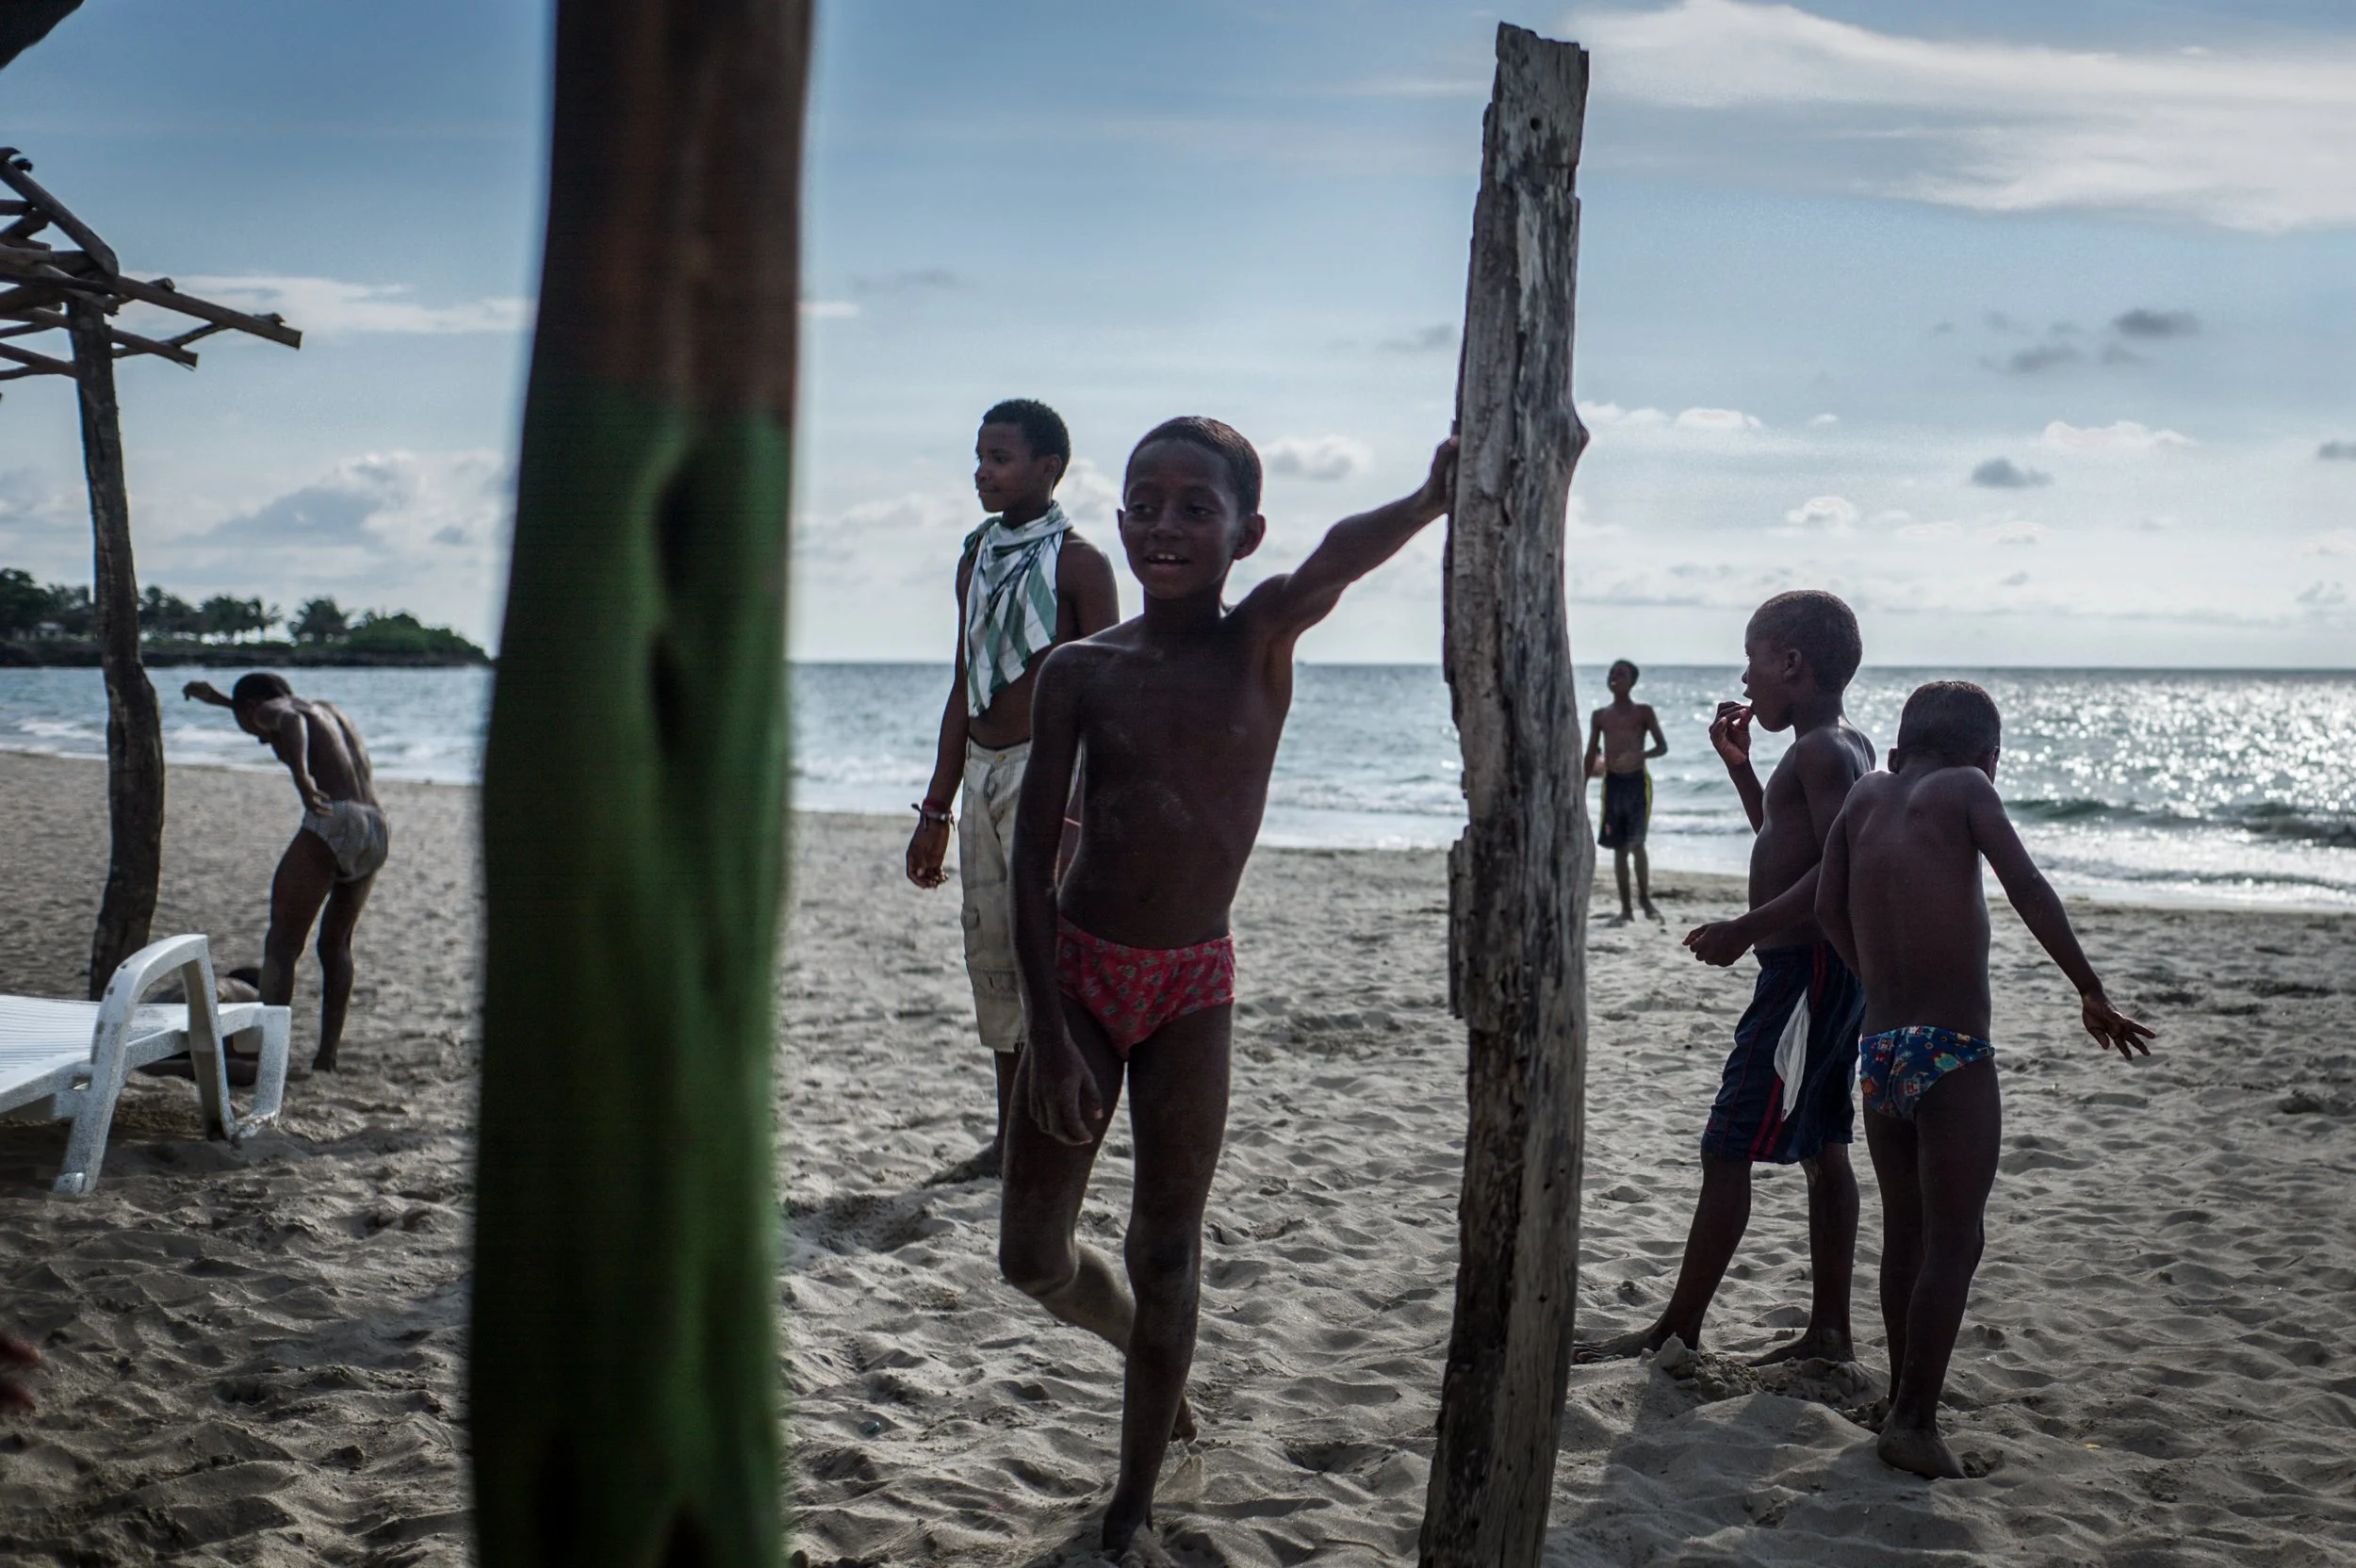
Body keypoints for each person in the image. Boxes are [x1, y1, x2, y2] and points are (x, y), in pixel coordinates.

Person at [999, 417, 1456, 1561]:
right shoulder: (1079, 671)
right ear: (1119, 522)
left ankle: (1134, 1500)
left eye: (1194, 506)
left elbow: (1337, 560)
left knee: (1169, 1247)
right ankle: (1132, 1350)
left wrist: (1427, 497)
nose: (1164, 523)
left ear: (1244, 534)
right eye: (1144, 502)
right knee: (1031, 1256)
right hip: (1082, 976)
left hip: (1194, 984)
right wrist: (1046, 1035)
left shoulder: (1260, 637)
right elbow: (1027, 862)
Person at [1817, 679, 2151, 1478]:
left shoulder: (1864, 797)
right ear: (1990, 759)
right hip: (1952, 1051)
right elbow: (2026, 885)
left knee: (1906, 1233)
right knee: (1956, 1239)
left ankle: (1902, 1396)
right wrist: (2089, 986)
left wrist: (1872, 979)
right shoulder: (1968, 789)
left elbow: (1828, 908)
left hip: (1882, 1048)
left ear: (1897, 750)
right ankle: (1913, 1419)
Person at [1577, 591, 1873, 1366]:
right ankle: (1829, 1333)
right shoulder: (1837, 745)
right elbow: (1789, 842)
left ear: (1789, 664)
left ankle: (1678, 1328)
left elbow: (1842, 870)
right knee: (1824, 1144)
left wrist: (1747, 929)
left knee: (1729, 1142)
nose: (1745, 679)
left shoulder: (1822, 751)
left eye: (1751, 661)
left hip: (1806, 972)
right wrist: (1741, 772)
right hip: (1820, 970)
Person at [905, 399, 1120, 1180]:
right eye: (979, 455)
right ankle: (1008, 1138)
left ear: (1048, 469)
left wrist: (1077, 817)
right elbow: (965, 683)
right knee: (991, 951)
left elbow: (1106, 699)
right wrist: (937, 807)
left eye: (1000, 457)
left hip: (1049, 776)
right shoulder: (975, 560)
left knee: (1047, 959)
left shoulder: (1080, 565)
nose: (982, 471)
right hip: (984, 772)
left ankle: (1048, 1136)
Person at [181, 673, 386, 1071]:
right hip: (375, 825)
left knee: (282, 945)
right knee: (336, 945)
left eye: (259, 732)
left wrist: (303, 778)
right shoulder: (329, 712)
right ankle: (327, 1057)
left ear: (254, 706)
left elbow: (285, 720)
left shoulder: (284, 712)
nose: (261, 740)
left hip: (335, 816)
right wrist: (222, 702)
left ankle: (267, 1057)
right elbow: (277, 714)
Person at [1583, 658, 1668, 923]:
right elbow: (1590, 753)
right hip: (1613, 785)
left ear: (1633, 681)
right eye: (1611, 673)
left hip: (1637, 783)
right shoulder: (1600, 715)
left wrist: (1638, 756)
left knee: (1637, 843)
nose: (1614, 677)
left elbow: (1662, 747)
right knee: (1619, 848)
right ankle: (1626, 909)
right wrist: (1581, 785)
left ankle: (1644, 899)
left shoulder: (1643, 712)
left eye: (1621, 673)